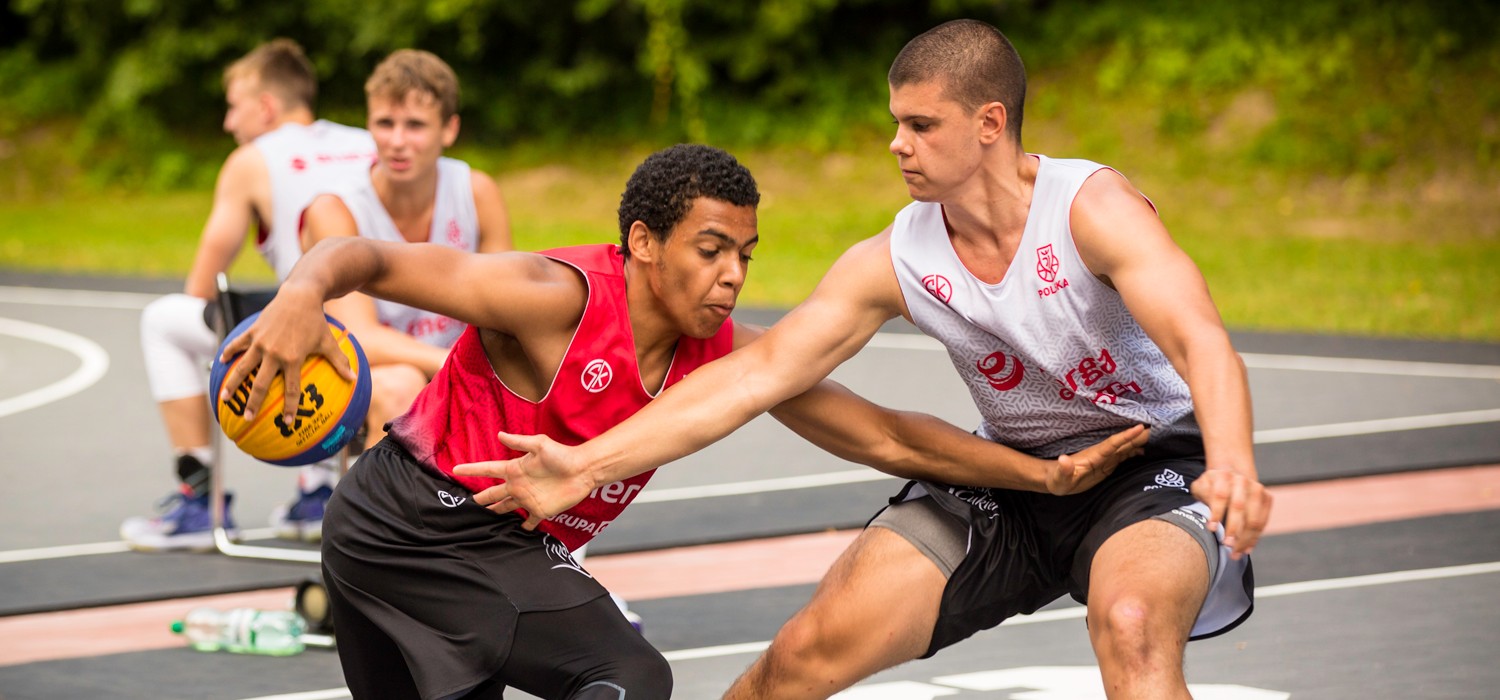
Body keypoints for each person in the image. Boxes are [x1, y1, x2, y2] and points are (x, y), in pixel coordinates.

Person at [455, 20, 1274, 700]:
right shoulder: (898, 254)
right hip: (1011, 474)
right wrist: (588, 464)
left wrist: (1233, 462)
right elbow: (754, 375)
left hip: (1150, 467)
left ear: (990, 123)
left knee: (1130, 627)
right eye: (895, 123)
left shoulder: (1091, 209)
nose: (896, 145)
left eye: (921, 125)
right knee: (804, 654)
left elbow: (1200, 336)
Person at [219, 143, 1149, 699]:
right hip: (406, 524)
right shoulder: (551, 297)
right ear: (643, 244)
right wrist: (304, 291)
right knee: (634, 681)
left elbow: (885, 435)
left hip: (484, 546)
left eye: (744, 252)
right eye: (711, 250)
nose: (732, 274)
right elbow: (365, 257)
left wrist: (1039, 475)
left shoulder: (724, 357)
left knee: (624, 680)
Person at [122, 39, 375, 552]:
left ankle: (198, 497)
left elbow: (204, 281)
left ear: (265, 107)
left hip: (316, 330)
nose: (227, 122)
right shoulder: (372, 141)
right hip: (392, 321)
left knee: (164, 320)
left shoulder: (251, 159)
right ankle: (321, 488)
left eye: (234, 106)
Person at [286, 48, 512, 540]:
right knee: (399, 382)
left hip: (459, 370)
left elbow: (506, 310)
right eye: (384, 123)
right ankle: (405, 552)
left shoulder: (477, 191)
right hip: (365, 377)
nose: (397, 141)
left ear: (448, 129)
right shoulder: (336, 210)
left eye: (415, 125)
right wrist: (458, 366)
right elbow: (361, 336)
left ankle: (548, 561)